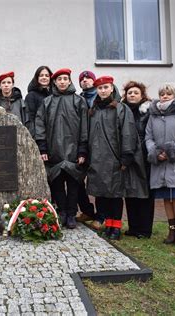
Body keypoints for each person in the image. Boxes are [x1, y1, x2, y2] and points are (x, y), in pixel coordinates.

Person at [86, 76, 148, 240]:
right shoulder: (93, 110)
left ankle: (116, 227)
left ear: (111, 88)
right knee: (101, 194)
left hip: (114, 160)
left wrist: (126, 157)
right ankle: (107, 224)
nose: (103, 91)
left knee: (115, 195)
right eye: (100, 88)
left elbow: (128, 133)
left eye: (106, 87)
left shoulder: (121, 109)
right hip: (97, 160)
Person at [35, 68, 88, 229]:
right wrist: (43, 148)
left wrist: (82, 149)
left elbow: (84, 126)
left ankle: (71, 214)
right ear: (55, 82)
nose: (62, 81)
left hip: (73, 151)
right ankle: (62, 212)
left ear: (70, 81)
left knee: (73, 185)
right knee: (57, 184)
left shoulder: (78, 101)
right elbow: (40, 124)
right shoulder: (47, 102)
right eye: (59, 79)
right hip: (53, 150)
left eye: (65, 79)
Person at [145, 83, 175, 246]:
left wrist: (171, 151)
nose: (164, 96)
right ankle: (171, 230)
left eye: (168, 94)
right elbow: (148, 137)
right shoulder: (154, 115)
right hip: (159, 163)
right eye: (162, 93)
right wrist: (156, 152)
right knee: (166, 197)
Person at [121, 80, 155, 238]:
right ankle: (133, 227)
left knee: (145, 194)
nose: (132, 95)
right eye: (129, 93)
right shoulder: (123, 111)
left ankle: (145, 229)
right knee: (130, 192)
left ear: (142, 95)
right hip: (128, 157)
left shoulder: (148, 112)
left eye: (135, 93)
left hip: (144, 156)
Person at [75, 70, 97, 224]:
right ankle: (87, 211)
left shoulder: (100, 97)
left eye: (88, 79)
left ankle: (102, 215)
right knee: (77, 180)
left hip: (98, 144)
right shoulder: (80, 98)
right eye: (82, 79)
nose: (85, 81)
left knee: (99, 181)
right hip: (84, 143)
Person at [25, 66, 52, 138]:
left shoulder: (54, 95)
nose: (44, 77)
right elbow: (30, 120)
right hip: (38, 137)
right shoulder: (31, 96)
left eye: (47, 75)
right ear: (37, 78)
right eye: (41, 75)